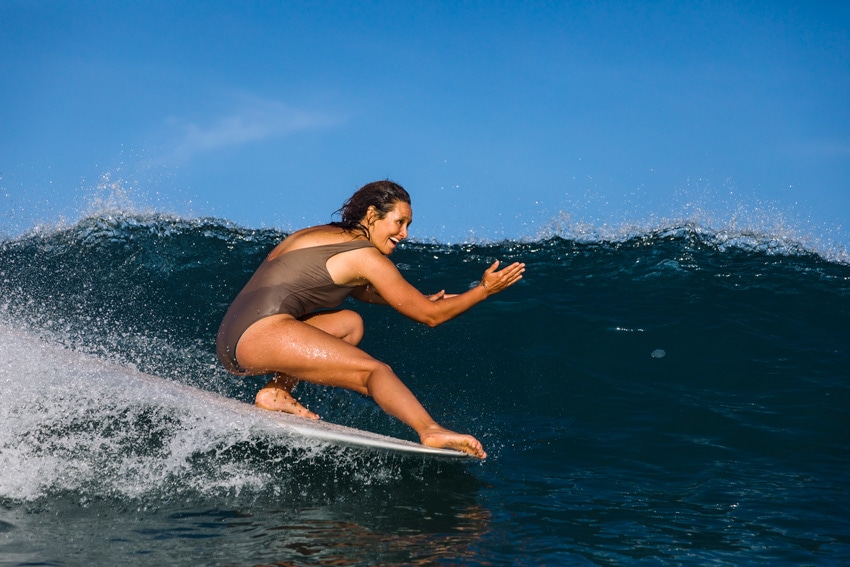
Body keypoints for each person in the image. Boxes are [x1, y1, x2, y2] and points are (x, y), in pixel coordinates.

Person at [216, 180, 525, 459]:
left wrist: (416, 300)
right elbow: (430, 317)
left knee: (350, 323)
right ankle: (430, 430)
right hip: (259, 336)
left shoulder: (324, 235)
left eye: (408, 224)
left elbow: (359, 290)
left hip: (236, 336)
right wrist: (484, 290)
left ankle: (277, 391)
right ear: (373, 214)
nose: (405, 234)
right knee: (374, 372)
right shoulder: (367, 256)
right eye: (399, 222)